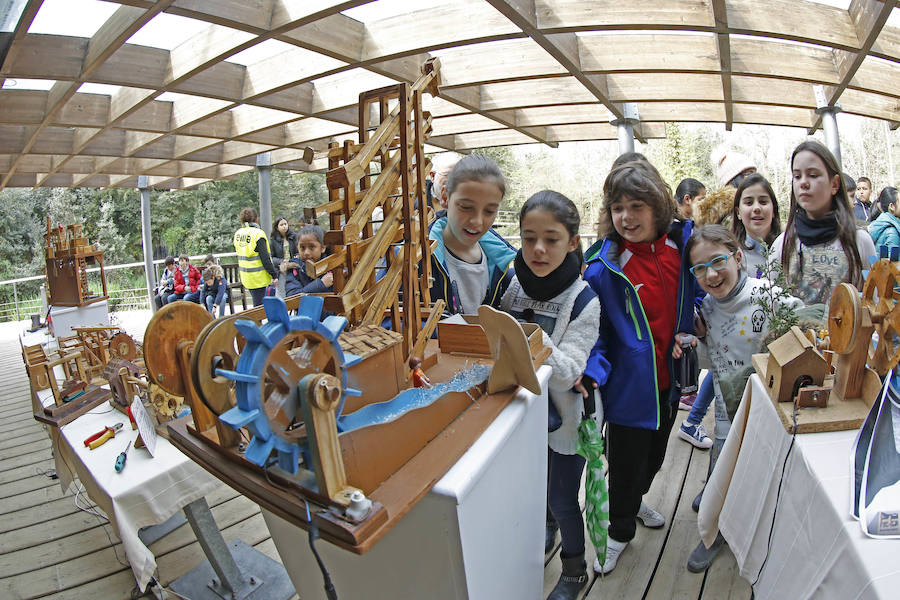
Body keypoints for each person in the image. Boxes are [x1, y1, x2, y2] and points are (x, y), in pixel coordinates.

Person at [583, 158, 702, 575]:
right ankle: (618, 533)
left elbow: (699, 287)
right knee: (627, 463)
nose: (626, 217)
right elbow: (592, 332)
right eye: (618, 207)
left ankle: (633, 502)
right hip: (630, 390)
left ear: (658, 205)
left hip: (672, 384)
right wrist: (594, 374)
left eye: (636, 206)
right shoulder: (603, 269)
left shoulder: (683, 246)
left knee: (655, 460)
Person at [675, 225, 802, 573]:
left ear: (737, 256)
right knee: (721, 468)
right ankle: (714, 532)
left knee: (763, 471)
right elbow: (708, 357)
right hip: (726, 413)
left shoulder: (769, 297)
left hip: (768, 408)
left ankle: (761, 531)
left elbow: (804, 325)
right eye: (699, 268)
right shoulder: (707, 311)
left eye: (717, 261)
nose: (711, 274)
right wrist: (692, 341)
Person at [499, 190, 600, 600]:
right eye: (528, 237)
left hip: (567, 418)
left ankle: (574, 570)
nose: (538, 249)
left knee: (561, 496)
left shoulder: (584, 300)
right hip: (522, 413)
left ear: (573, 241)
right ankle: (547, 526)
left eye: (552, 239)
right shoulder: (509, 283)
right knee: (536, 485)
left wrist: (523, 336)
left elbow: (569, 372)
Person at [771, 140, 876, 306]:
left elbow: (874, 302)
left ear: (834, 184)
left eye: (813, 175)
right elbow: (769, 303)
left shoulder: (860, 241)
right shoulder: (782, 245)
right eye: (797, 176)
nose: (803, 183)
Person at [428, 154, 516, 316]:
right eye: (466, 207)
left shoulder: (500, 262)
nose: (477, 221)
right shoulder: (414, 258)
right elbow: (386, 320)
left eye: (489, 211)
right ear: (445, 197)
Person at [730, 173, 782, 279]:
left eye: (763, 202)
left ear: (774, 210)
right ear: (738, 212)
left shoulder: (787, 247)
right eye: (749, 203)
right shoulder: (732, 256)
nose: (756, 208)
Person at [233, 207, 277, 307]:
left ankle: (257, 322)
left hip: (246, 276)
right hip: (258, 277)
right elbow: (265, 258)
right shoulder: (258, 234)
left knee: (256, 304)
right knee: (259, 307)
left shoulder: (238, 234)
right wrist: (274, 275)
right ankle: (257, 322)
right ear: (256, 219)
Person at [284, 224, 334, 295]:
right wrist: (320, 284)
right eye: (302, 248)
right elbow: (292, 296)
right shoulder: (294, 269)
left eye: (312, 247)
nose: (306, 253)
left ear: (323, 247)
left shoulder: (333, 266)